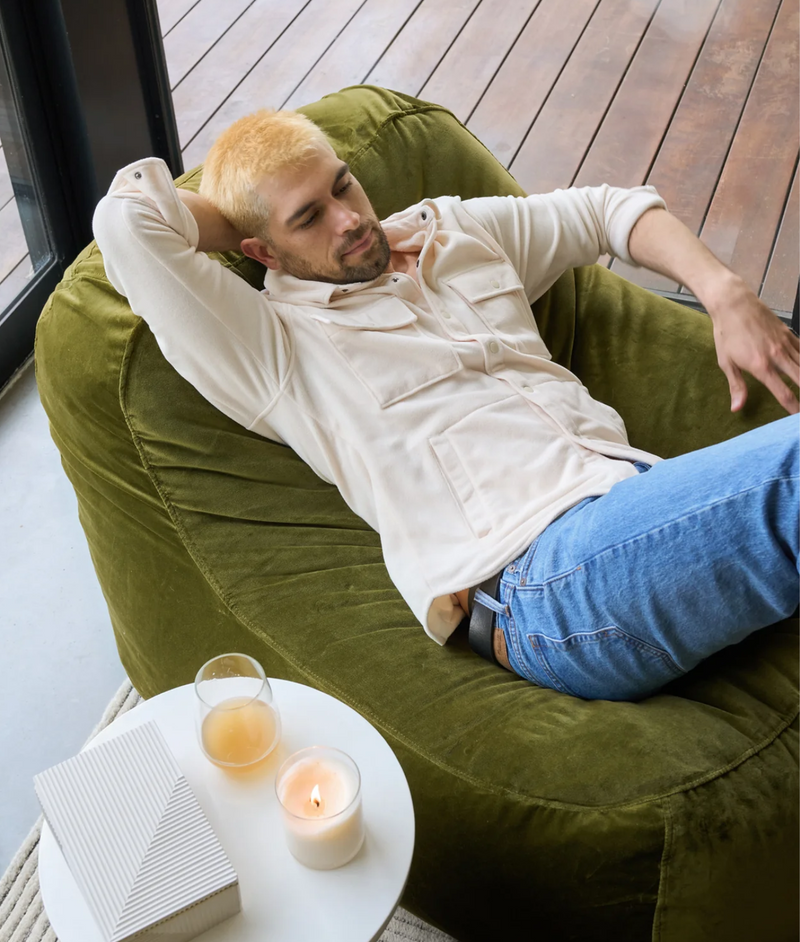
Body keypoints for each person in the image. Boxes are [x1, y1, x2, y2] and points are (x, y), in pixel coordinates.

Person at [93, 108, 799, 701]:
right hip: (542, 587)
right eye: (309, 217)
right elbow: (127, 223)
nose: (349, 221)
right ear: (263, 252)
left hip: (636, 505)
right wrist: (248, 214)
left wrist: (722, 290)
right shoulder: (273, 349)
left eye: (344, 186)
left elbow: (608, 210)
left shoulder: (451, 233)